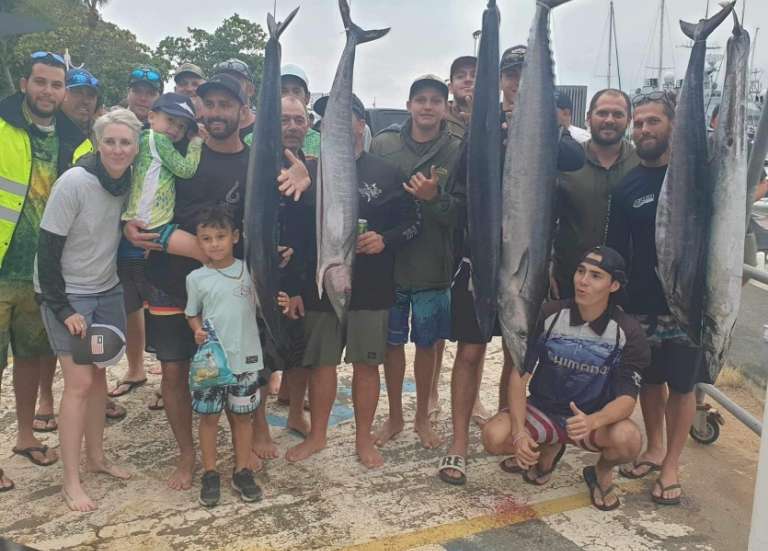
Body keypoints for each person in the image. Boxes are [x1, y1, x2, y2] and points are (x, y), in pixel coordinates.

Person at [124, 73, 309, 490]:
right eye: (210, 105)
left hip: (234, 287)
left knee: (245, 366)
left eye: (228, 105)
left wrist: (306, 178)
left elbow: (300, 200)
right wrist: (129, 228)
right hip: (172, 282)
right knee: (174, 372)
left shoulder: (262, 161)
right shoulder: (178, 152)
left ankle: (255, 429)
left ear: (245, 113)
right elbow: (138, 192)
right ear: (200, 109)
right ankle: (187, 454)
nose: (217, 113)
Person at [439, 45, 585, 485]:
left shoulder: (553, 133)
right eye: (512, 75)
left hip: (528, 263)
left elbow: (576, 161)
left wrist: (551, 129)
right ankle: (459, 443)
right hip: (479, 262)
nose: (518, 82)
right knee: (469, 352)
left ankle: (510, 433)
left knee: (515, 354)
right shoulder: (484, 127)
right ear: (501, 81)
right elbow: (460, 182)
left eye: (526, 75)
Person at [283, 94, 421, 466]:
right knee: (322, 364)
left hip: (371, 286)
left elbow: (412, 223)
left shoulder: (386, 171)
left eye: (347, 118)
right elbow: (294, 234)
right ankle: (318, 436)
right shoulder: (308, 171)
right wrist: (295, 288)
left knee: (366, 365)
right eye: (329, 120)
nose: (338, 126)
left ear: (361, 124)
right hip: (321, 285)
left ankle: (364, 439)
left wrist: (384, 239)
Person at [482, 246, 650, 511]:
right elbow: (518, 376)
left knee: (629, 440)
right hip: (544, 410)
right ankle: (549, 446)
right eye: (580, 271)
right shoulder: (548, 314)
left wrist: (593, 420)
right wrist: (518, 433)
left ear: (614, 285)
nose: (583, 281)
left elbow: (627, 399)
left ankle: (601, 472)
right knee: (493, 436)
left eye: (596, 276)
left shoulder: (628, 332)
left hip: (589, 419)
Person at [36, 108, 142, 512]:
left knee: (98, 377)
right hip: (69, 294)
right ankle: (71, 480)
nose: (118, 149)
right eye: (110, 141)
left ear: (135, 147)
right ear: (99, 143)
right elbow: (48, 252)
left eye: (125, 142)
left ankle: (96, 460)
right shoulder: (74, 183)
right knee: (78, 385)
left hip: (106, 291)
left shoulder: (127, 181)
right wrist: (63, 309)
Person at [606, 91, 699, 506]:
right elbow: (615, 248)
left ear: (672, 126)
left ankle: (673, 464)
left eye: (653, 122)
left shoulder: (695, 177)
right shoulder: (627, 186)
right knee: (651, 381)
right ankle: (655, 447)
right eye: (639, 123)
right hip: (640, 306)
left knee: (682, 386)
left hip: (686, 306)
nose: (644, 130)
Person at [1, 51, 87, 475]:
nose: (47, 91)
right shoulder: (1, 125)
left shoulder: (77, 139)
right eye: (40, 82)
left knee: (32, 359)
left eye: (56, 85)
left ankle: (24, 437)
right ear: (24, 84)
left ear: (64, 91)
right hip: (1, 267)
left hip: (42, 272)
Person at [370, 74, 462, 450]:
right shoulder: (384, 143)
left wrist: (433, 198)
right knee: (391, 346)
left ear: (445, 108)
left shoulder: (458, 148)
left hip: (434, 265)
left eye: (435, 101)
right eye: (420, 99)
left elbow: (465, 210)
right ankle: (394, 416)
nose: (427, 106)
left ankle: (423, 416)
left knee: (427, 345)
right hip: (389, 265)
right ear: (409, 105)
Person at [186, 206, 264, 507]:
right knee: (209, 418)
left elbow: (262, 305)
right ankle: (209, 473)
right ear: (198, 240)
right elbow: (191, 313)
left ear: (235, 237)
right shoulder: (196, 278)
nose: (214, 244)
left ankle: (242, 470)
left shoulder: (249, 270)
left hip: (246, 360)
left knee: (244, 418)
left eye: (220, 236)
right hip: (211, 365)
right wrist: (196, 330)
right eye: (206, 238)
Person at [552, 88, 639, 300]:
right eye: (602, 113)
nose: (609, 120)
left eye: (618, 114)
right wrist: (545, 266)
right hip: (569, 283)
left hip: (624, 287)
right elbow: (543, 218)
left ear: (628, 120)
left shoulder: (640, 163)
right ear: (588, 118)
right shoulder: (566, 160)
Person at [121, 92, 207, 263]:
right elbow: (186, 169)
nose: (175, 129)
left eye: (182, 126)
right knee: (206, 254)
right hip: (152, 224)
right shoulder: (158, 139)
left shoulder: (146, 137)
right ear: (151, 117)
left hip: (145, 222)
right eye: (170, 120)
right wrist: (197, 142)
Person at [281, 64, 321, 159]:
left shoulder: (322, 144)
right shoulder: (253, 140)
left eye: (296, 91)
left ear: (307, 98)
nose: (290, 96)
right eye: (283, 91)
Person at [211, 58, 257, 139]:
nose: (228, 87)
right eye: (223, 82)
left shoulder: (266, 127)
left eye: (235, 82)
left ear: (250, 89)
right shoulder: (207, 127)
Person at [445, 55, 476, 138]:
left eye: (475, 76)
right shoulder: (437, 121)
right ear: (450, 88)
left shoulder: (498, 120)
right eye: (460, 76)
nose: (468, 79)